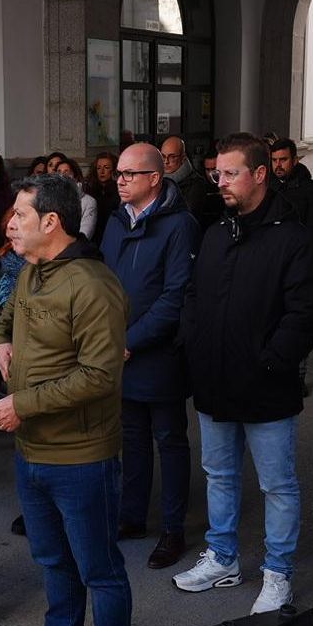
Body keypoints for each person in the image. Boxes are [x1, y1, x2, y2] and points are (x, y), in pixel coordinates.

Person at [0, 174, 134, 626]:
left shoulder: (91, 285)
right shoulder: (31, 271)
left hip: (82, 456)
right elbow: (7, 314)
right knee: (53, 560)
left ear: (52, 222)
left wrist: (23, 403)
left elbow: (101, 373)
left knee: (100, 570)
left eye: (19, 216)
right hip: (34, 452)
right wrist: (2, 339)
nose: (10, 224)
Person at [175, 133, 313, 613]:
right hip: (215, 382)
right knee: (218, 474)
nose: (220, 181)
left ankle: (278, 573)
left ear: (260, 174)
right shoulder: (217, 231)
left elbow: (307, 314)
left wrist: (270, 360)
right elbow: (195, 298)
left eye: (231, 173)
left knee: (277, 485)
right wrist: (196, 349)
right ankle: (222, 558)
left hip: (266, 386)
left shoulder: (293, 238)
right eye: (218, 173)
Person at [100, 143, 197, 570]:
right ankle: (132, 517)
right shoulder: (116, 222)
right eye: (118, 173)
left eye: (129, 174)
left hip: (158, 355)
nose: (119, 180)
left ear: (155, 179)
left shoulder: (180, 225)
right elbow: (101, 282)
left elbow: (175, 297)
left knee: (170, 442)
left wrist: (130, 341)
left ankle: (174, 530)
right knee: (131, 440)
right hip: (118, 353)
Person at [269, 139, 313, 266]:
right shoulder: (265, 187)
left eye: (283, 159)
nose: (278, 165)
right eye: (274, 160)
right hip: (271, 259)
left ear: (295, 160)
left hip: (300, 260)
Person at [161, 136, 211, 229]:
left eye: (172, 157)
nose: (166, 161)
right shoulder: (157, 180)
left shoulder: (196, 183)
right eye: (163, 157)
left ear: (183, 158)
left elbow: (187, 216)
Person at [53, 158, 99, 239]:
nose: (61, 176)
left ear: (76, 177)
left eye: (66, 172)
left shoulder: (89, 202)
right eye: (59, 172)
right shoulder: (52, 199)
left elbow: (85, 234)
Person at [87, 151, 121, 246]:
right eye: (99, 168)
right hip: (93, 238)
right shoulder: (89, 190)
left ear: (114, 169)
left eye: (106, 168)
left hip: (113, 236)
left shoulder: (120, 191)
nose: (102, 171)